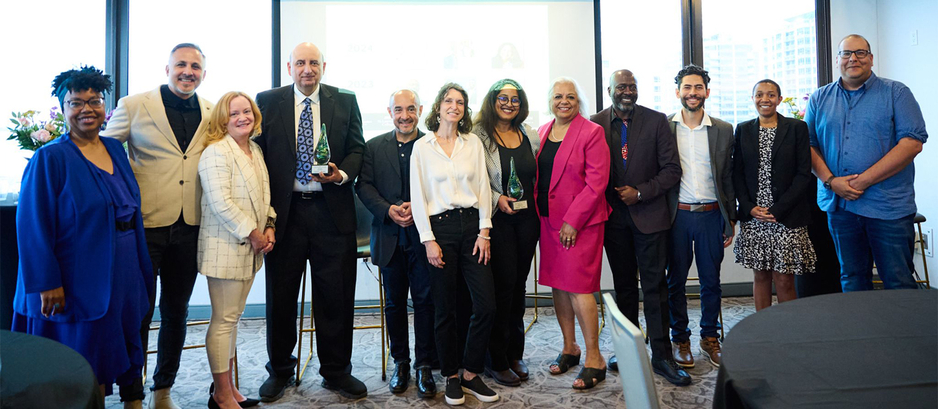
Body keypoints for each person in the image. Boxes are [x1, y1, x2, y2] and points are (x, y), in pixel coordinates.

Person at [13, 66, 153, 408]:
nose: (87, 109)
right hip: (77, 274)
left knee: (120, 337)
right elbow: (32, 222)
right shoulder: (50, 158)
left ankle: (130, 397)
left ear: (105, 107)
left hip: (123, 264)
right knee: (84, 350)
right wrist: (47, 281)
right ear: (63, 109)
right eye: (76, 102)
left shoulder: (114, 148)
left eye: (95, 101)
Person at [101, 43, 212, 409]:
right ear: (167, 68)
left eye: (195, 66)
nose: (188, 71)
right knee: (139, 312)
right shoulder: (134, 105)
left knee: (176, 311)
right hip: (144, 227)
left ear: (203, 73)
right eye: (181, 64)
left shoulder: (212, 112)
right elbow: (103, 154)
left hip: (191, 225)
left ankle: (163, 387)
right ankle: (132, 391)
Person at [254, 42, 366, 401]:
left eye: (313, 63)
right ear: (289, 68)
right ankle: (281, 371)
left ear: (324, 66)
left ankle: (336, 372)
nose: (307, 69)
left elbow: (357, 148)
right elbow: (256, 150)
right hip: (284, 214)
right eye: (300, 63)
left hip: (330, 212)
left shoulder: (344, 101)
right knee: (281, 298)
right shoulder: (267, 101)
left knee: (335, 297)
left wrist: (342, 174)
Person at [590, 70, 689, 386]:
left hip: (650, 216)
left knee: (655, 288)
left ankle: (662, 356)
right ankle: (629, 351)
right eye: (621, 86)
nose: (627, 91)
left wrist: (641, 192)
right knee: (624, 290)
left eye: (632, 86)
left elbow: (673, 170)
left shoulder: (657, 120)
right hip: (612, 220)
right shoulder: (595, 123)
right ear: (610, 90)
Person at [806, 34, 928, 292]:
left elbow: (912, 143)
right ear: (837, 59)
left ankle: (904, 333)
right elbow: (808, 145)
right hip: (840, 208)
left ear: (871, 59)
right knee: (852, 278)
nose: (853, 59)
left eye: (860, 53)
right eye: (847, 53)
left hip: (888, 207)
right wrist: (831, 181)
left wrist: (864, 180)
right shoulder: (820, 98)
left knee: (898, 281)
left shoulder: (896, 93)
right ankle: (861, 333)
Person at [410, 83, 499, 405]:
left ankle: (471, 373)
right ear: (438, 107)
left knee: (486, 305)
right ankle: (450, 375)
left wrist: (484, 231)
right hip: (441, 231)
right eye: (449, 100)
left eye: (460, 102)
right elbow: (418, 197)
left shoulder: (472, 143)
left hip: (472, 227)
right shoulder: (423, 147)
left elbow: (485, 189)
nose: (454, 106)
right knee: (444, 310)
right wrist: (428, 240)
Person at [355, 89, 437, 397]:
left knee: (426, 302)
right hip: (388, 236)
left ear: (420, 110)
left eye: (411, 109)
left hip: (425, 237)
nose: (405, 115)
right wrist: (388, 209)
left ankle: (425, 365)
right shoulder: (373, 147)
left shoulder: (432, 145)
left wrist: (418, 208)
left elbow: (442, 184)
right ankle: (401, 362)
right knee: (394, 304)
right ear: (389, 112)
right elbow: (363, 185)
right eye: (398, 109)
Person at [197, 92, 274, 409]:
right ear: (222, 120)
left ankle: (229, 390)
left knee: (233, 318)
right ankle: (221, 394)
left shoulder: (254, 149)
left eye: (247, 111)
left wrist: (269, 225)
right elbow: (221, 204)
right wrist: (254, 233)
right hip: (225, 248)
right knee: (224, 320)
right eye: (234, 114)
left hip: (251, 247)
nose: (242, 117)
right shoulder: (216, 152)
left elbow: (265, 195)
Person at [537, 77, 610, 390]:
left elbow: (597, 183)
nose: (563, 101)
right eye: (557, 97)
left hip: (579, 226)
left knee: (580, 288)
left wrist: (573, 221)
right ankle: (570, 347)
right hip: (547, 222)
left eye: (570, 96)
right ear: (550, 101)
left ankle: (595, 358)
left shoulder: (592, 132)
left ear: (578, 101)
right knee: (558, 285)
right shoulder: (542, 132)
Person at [666, 64, 736, 369]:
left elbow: (729, 177)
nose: (692, 93)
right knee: (675, 282)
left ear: (707, 91)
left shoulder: (723, 129)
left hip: (710, 215)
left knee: (711, 281)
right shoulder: (665, 128)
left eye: (698, 87)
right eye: (687, 87)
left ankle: (710, 338)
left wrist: (729, 218)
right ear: (678, 91)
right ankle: (680, 337)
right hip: (676, 217)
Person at [472, 79, 540, 387]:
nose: (509, 103)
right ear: (492, 100)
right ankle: (494, 359)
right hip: (496, 221)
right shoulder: (478, 136)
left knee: (518, 288)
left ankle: (515, 352)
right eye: (503, 97)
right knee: (502, 288)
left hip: (526, 222)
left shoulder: (529, 134)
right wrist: (497, 197)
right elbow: (472, 179)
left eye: (515, 99)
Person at [733, 80, 817, 311]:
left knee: (784, 278)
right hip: (756, 217)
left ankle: (786, 331)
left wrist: (778, 209)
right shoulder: (743, 129)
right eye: (759, 94)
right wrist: (749, 207)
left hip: (786, 216)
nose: (765, 99)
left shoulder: (797, 128)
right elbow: (737, 174)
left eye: (771, 95)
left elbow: (803, 174)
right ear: (753, 99)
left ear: (779, 99)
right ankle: (764, 332)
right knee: (760, 277)